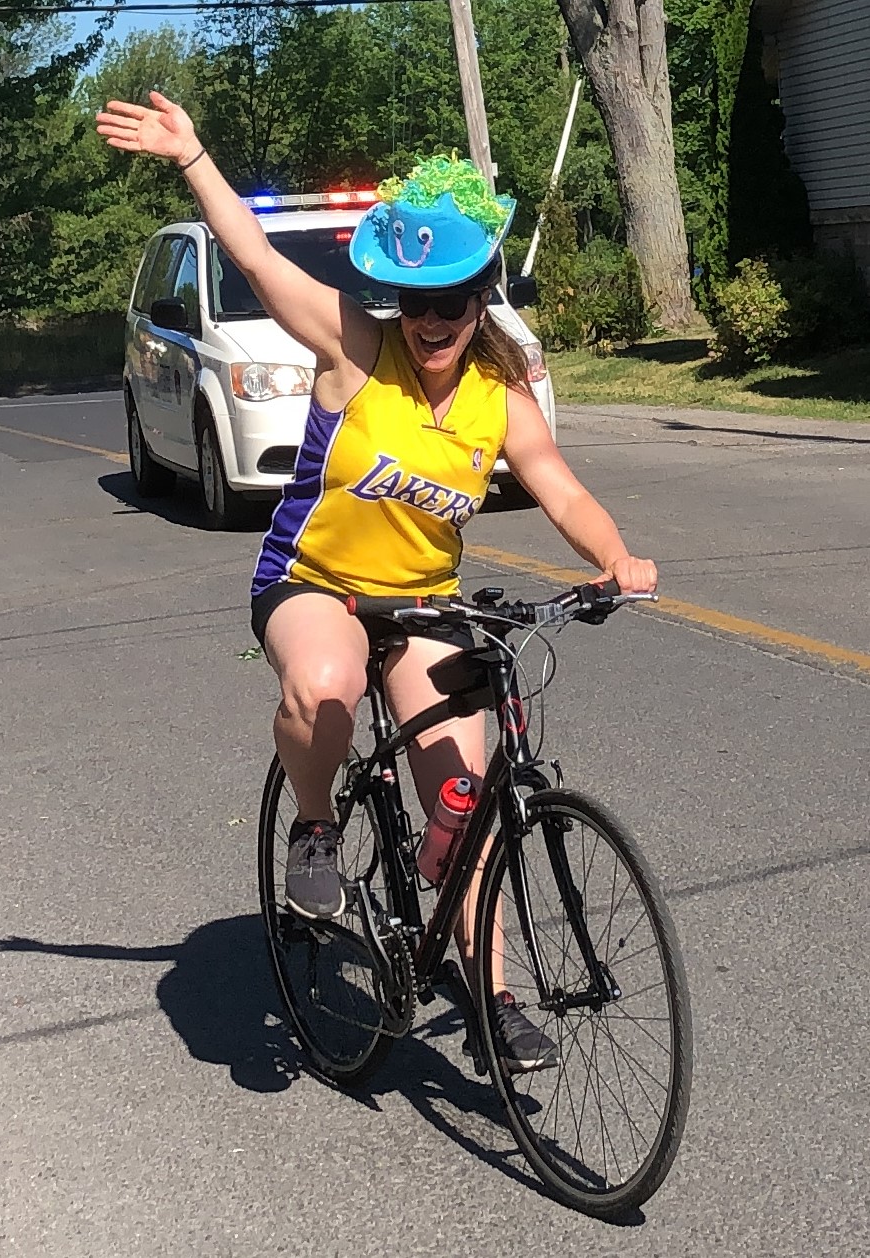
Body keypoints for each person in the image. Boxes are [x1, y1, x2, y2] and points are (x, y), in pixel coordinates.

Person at [96, 93, 659, 1073]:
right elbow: (259, 261)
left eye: (454, 299)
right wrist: (191, 156)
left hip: (424, 601)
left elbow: (561, 491)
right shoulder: (357, 346)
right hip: (314, 579)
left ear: (482, 294)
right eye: (418, 301)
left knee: (462, 788)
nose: (433, 320)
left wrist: (612, 555)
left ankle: (491, 995)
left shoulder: (500, 392)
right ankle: (315, 830)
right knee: (323, 691)